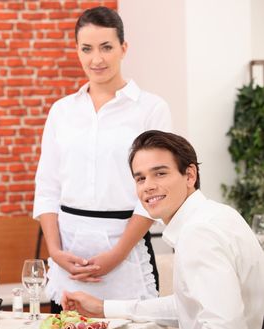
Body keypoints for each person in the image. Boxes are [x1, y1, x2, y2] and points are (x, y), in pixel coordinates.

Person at [62, 130, 264, 329]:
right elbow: (188, 305)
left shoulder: (199, 232)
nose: (148, 186)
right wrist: (104, 308)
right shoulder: (217, 214)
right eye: (140, 178)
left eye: (159, 173)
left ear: (190, 176)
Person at [33, 6, 171, 312]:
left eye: (106, 47)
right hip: (68, 256)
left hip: (125, 250)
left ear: (123, 48)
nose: (97, 59)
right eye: (87, 49)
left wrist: (117, 254)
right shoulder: (62, 111)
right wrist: (54, 251)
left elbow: (156, 190)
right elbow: (47, 187)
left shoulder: (150, 109)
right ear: (77, 51)